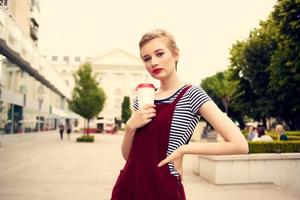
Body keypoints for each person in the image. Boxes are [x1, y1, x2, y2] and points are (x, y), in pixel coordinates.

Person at [111, 29, 248, 200]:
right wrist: (130, 127)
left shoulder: (192, 94)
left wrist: (184, 149)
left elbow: (240, 145)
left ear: (175, 54)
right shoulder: (143, 98)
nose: (153, 62)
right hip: (129, 186)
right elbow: (128, 157)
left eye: (159, 54)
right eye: (147, 58)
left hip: (162, 189)